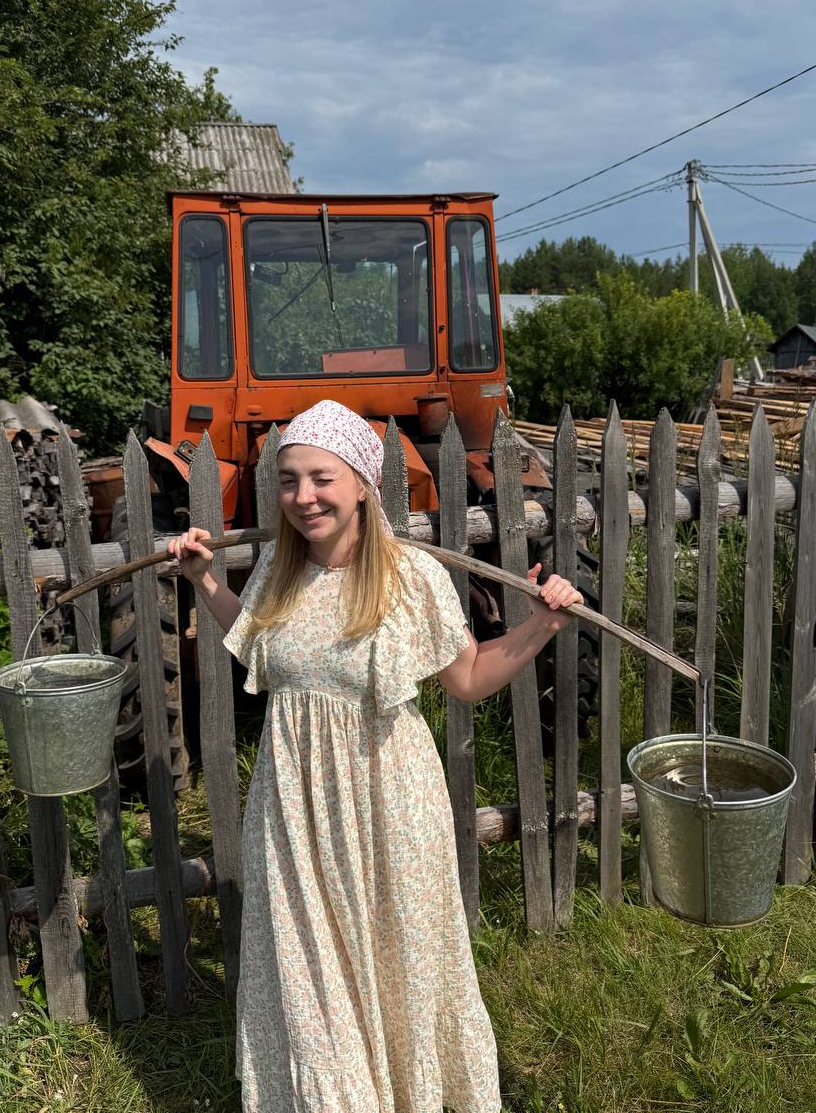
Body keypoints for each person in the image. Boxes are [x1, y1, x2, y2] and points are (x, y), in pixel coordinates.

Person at [169, 399, 582, 1113]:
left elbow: (467, 679)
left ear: (362, 483)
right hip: (295, 810)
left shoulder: (411, 577)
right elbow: (255, 641)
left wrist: (542, 625)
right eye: (290, 480)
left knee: (401, 961)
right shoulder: (278, 570)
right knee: (308, 967)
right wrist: (205, 581)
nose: (303, 497)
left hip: (390, 804)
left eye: (321, 478)